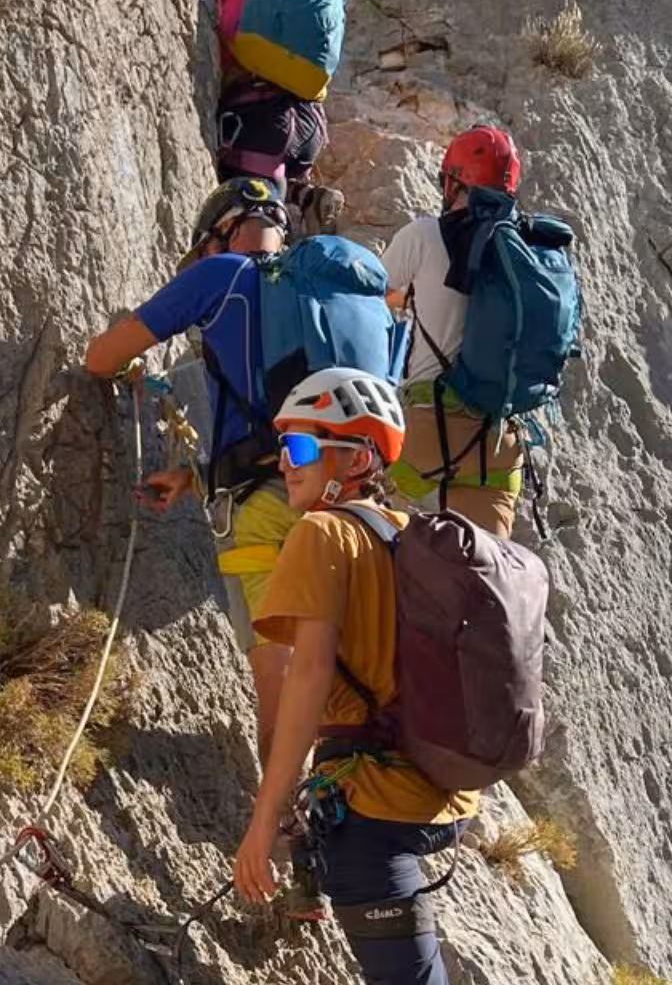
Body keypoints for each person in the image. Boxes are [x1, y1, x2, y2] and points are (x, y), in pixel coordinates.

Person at [234, 367, 475, 985]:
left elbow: (305, 683)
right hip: (437, 793)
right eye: (284, 446)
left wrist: (266, 817)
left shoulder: (320, 533)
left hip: (373, 809)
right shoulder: (408, 533)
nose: (287, 461)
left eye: (305, 445)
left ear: (360, 456)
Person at [83, 177, 299, 765]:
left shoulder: (220, 274)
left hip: (262, 509)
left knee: (278, 674)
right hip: (344, 495)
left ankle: (282, 832)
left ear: (220, 235)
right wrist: (199, 477)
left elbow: (100, 358)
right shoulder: (323, 286)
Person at [381, 126, 528, 537]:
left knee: (360, 524)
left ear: (452, 181)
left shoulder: (425, 234)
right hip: (500, 445)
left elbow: (375, 297)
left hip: (431, 424)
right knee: (481, 582)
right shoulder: (523, 252)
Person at [195, 0, 341, 236]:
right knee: (277, 179)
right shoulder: (291, 33)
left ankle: (275, 226)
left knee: (251, 216)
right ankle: (303, 196)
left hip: (260, 123)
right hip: (309, 125)